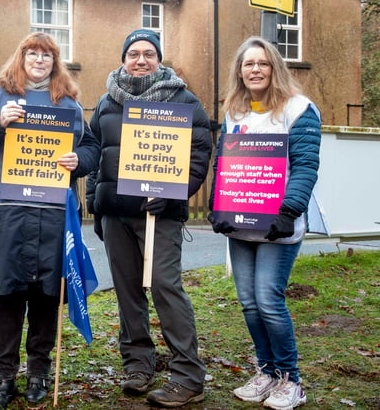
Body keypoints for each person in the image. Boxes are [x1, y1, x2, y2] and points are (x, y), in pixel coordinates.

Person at [0, 32, 100, 409]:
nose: (39, 60)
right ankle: (4, 381)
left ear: (56, 62)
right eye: (32, 53)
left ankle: (38, 374)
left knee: (45, 298)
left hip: (51, 215)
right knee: (7, 300)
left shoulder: (68, 104)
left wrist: (79, 162)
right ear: (19, 58)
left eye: (47, 55)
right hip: (3, 213)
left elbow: (90, 147)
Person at [86, 29, 211, 407]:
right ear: (123, 58)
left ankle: (188, 375)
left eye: (149, 53)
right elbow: (94, 153)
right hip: (116, 215)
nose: (141, 60)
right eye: (134, 53)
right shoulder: (106, 102)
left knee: (164, 287)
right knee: (126, 293)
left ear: (160, 59)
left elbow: (200, 153)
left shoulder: (182, 99)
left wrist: (174, 192)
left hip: (160, 215)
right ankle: (138, 365)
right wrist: (96, 202)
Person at [207, 36, 320, 410]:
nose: (255, 70)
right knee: (248, 303)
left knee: (269, 301)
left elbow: (305, 166)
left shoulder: (299, 109)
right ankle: (267, 372)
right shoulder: (235, 112)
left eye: (263, 63)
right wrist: (217, 206)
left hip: (278, 224)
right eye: (248, 64)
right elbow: (224, 165)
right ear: (239, 71)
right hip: (240, 223)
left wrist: (289, 211)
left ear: (275, 67)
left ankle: (291, 380)